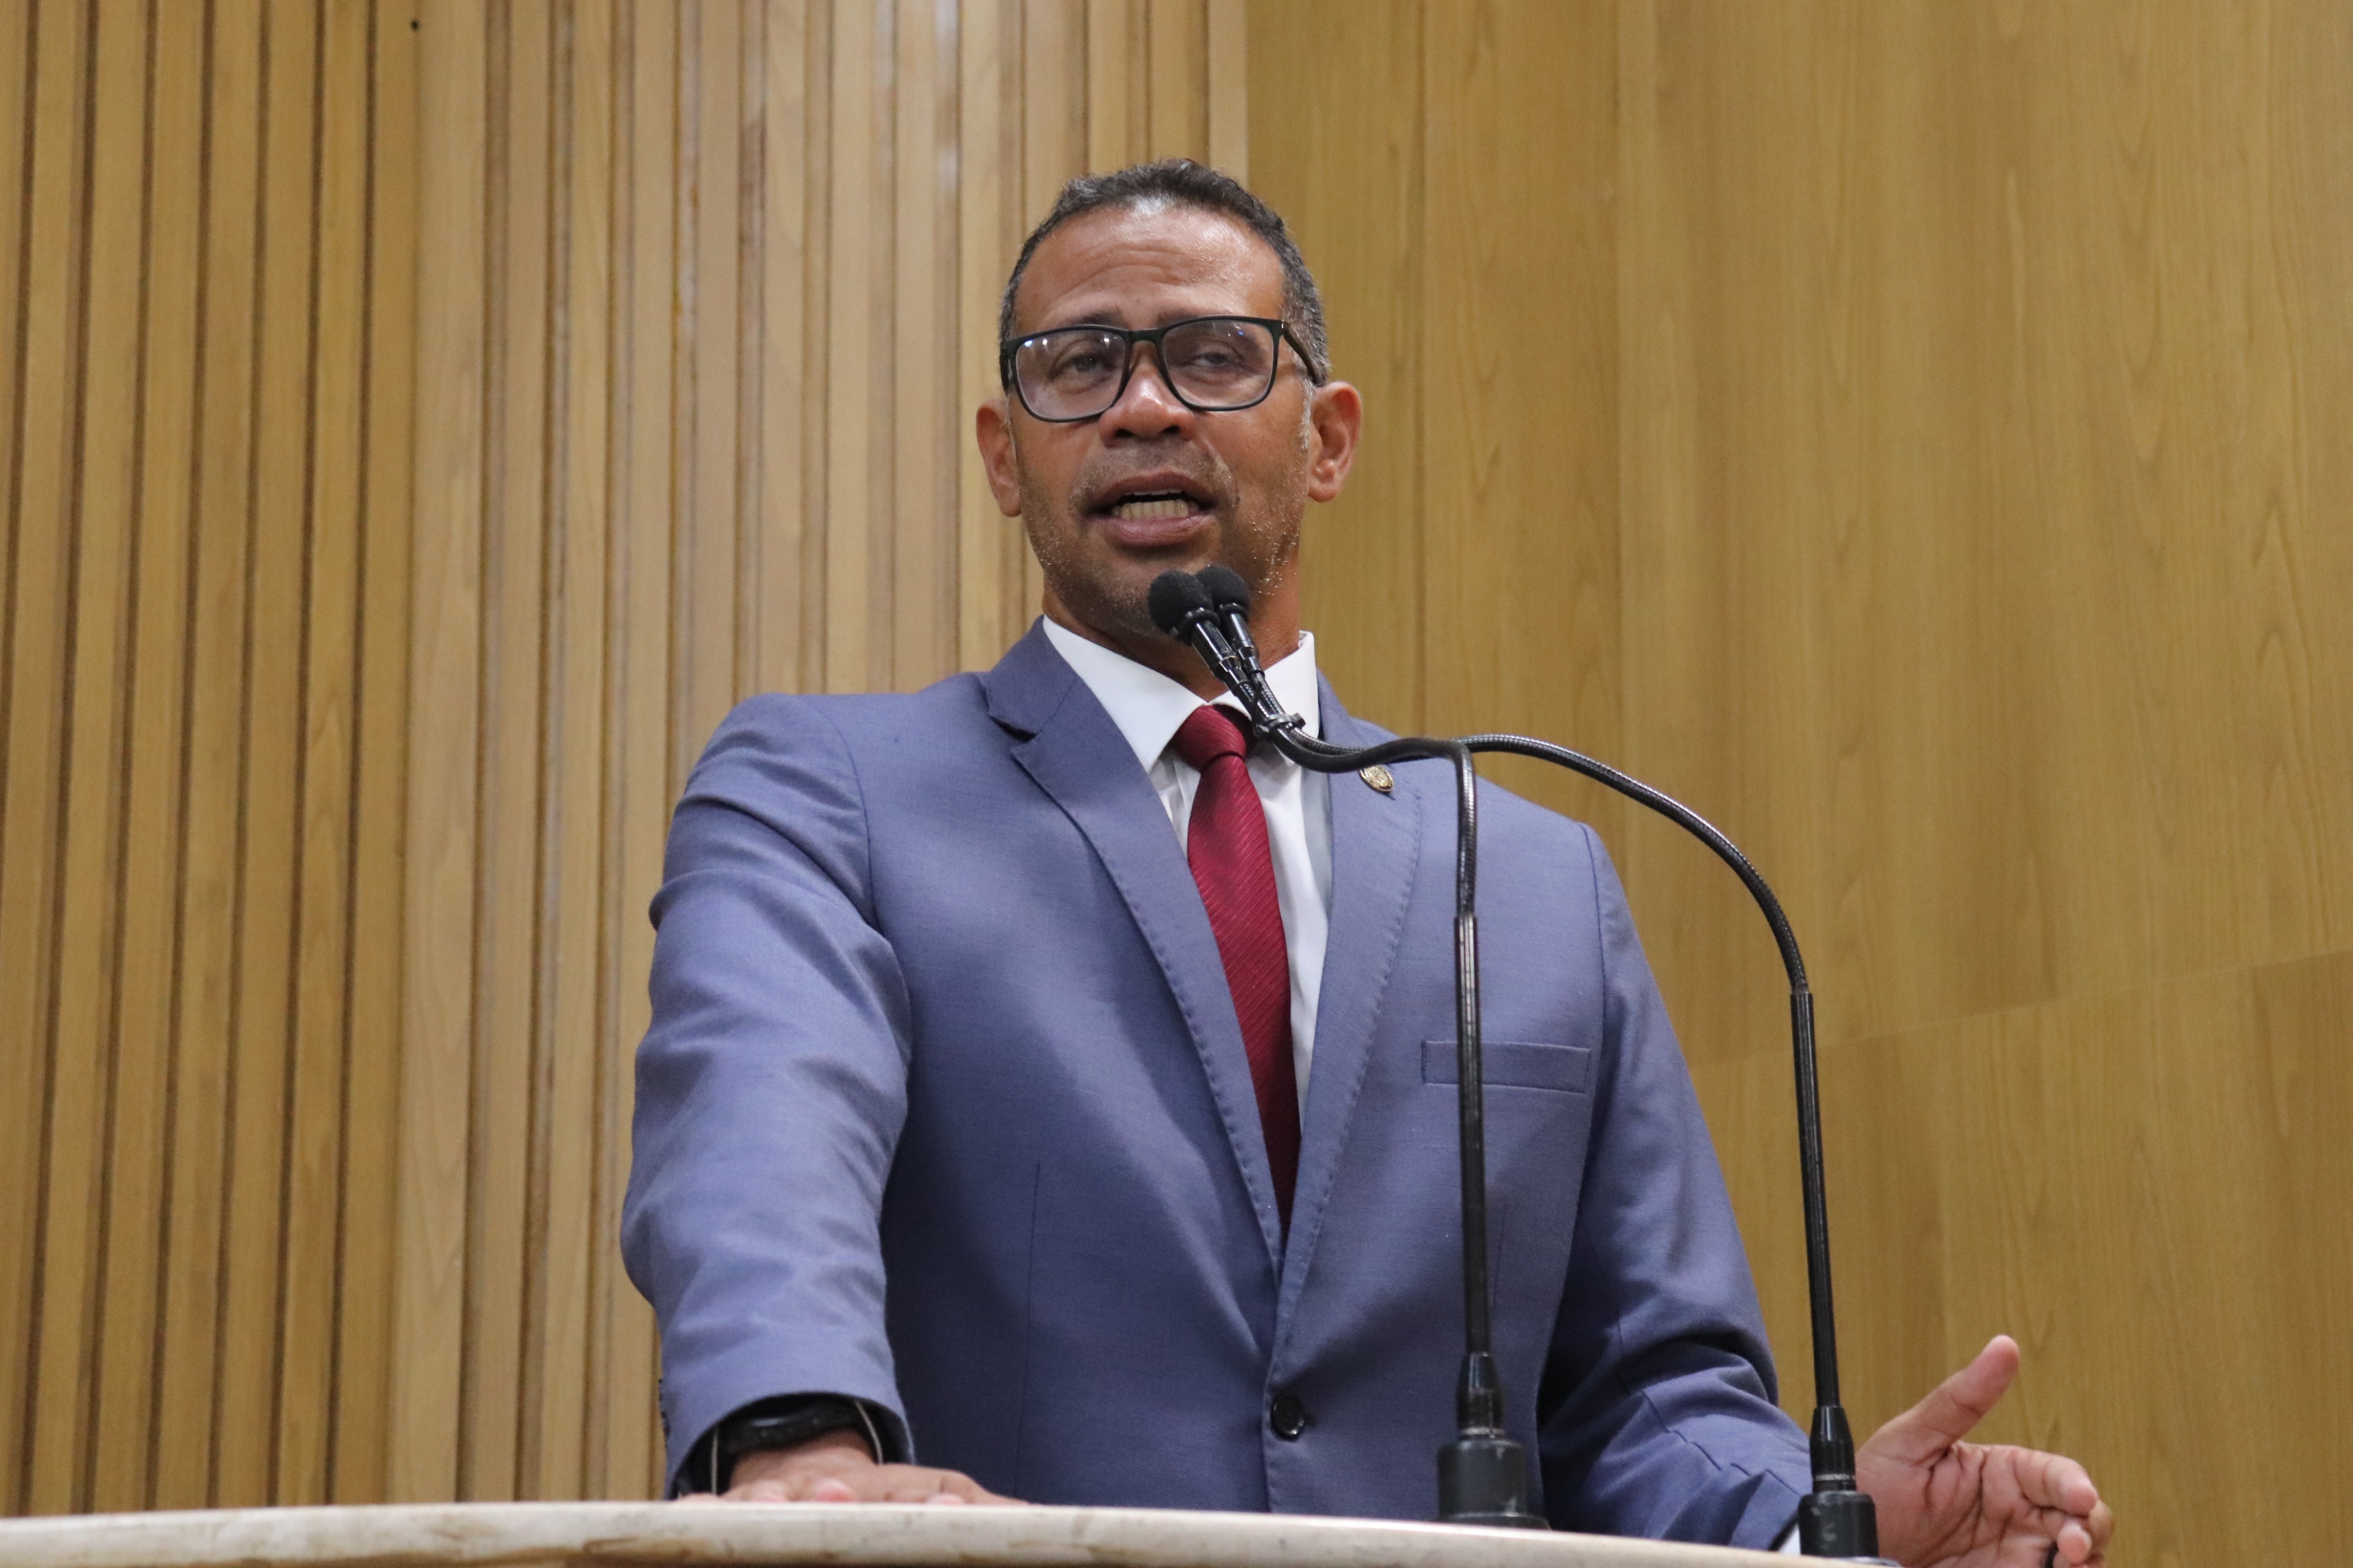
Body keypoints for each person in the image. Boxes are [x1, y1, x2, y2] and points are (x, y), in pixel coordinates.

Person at [622, 161, 2112, 1566]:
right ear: (1005, 459)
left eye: (1212, 356)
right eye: (1077, 366)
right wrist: (796, 1441)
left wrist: (1822, 1530)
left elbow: (1644, 1389)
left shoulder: (1533, 874)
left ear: (1326, 440)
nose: (1142, 405)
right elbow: (760, 1138)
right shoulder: (829, 790)